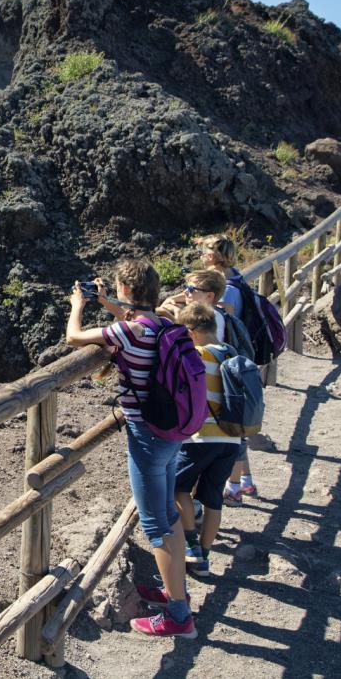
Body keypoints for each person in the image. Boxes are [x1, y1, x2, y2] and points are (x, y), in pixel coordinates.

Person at [65, 259, 195, 639]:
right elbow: (134, 317)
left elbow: (75, 337)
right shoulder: (164, 323)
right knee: (167, 515)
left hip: (147, 436)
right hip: (173, 433)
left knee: (155, 523)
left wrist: (78, 305)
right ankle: (176, 593)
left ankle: (178, 616)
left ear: (125, 289)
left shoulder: (127, 332)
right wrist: (109, 303)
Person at [172, 302, 242, 577]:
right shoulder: (231, 353)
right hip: (232, 438)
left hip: (202, 438)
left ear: (192, 332)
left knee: (178, 488)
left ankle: (191, 545)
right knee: (213, 497)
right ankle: (205, 558)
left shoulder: (197, 355)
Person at [197, 234, 260, 502]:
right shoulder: (235, 277)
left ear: (212, 256)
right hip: (235, 364)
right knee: (234, 427)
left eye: (203, 252)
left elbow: (221, 325)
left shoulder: (225, 288)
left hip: (223, 368)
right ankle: (244, 480)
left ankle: (234, 484)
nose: (201, 256)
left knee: (231, 426)